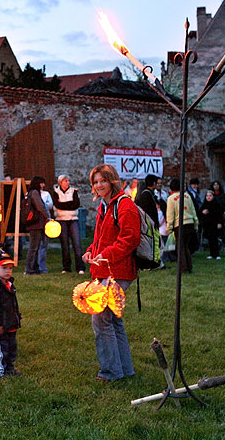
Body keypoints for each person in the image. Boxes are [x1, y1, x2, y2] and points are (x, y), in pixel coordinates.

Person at [82, 164, 140, 382]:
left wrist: (106, 254)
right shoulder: (104, 207)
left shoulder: (124, 205)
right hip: (103, 269)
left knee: (101, 319)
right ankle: (124, 369)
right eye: (95, 182)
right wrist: (90, 252)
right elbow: (99, 238)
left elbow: (130, 239)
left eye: (102, 181)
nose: (98, 185)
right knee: (113, 320)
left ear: (112, 181)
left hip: (118, 271)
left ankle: (110, 372)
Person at [52, 174, 86, 275]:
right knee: (65, 244)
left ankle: (80, 267)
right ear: (60, 182)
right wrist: (68, 205)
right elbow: (57, 205)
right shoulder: (56, 192)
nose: (67, 182)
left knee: (76, 243)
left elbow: (76, 204)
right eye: (65, 181)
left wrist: (64, 205)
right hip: (61, 219)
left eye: (68, 180)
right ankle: (66, 267)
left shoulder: (73, 191)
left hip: (73, 219)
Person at [165, 178, 199, 274]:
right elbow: (193, 211)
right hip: (190, 223)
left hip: (179, 225)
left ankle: (183, 268)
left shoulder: (171, 199)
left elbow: (170, 215)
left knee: (180, 248)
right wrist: (196, 224)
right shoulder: (187, 196)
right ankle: (189, 266)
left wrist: (169, 228)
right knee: (186, 246)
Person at [24, 176, 50, 275]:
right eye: (42, 183)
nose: (43, 185)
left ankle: (34, 268)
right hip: (36, 223)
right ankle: (29, 268)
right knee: (34, 247)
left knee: (36, 246)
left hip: (34, 224)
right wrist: (47, 217)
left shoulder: (30, 193)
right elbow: (40, 207)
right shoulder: (35, 193)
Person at [200, 190, 223, 259]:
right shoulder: (204, 204)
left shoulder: (216, 204)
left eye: (210, 196)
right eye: (207, 196)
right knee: (210, 240)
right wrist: (203, 212)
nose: (208, 197)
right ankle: (212, 254)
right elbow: (200, 213)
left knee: (215, 239)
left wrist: (219, 223)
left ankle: (217, 254)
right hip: (207, 224)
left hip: (215, 224)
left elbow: (219, 214)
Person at [37, 177, 54, 274]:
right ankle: (36, 265)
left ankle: (42, 266)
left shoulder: (46, 194)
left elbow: (50, 204)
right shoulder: (33, 194)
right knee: (36, 244)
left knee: (44, 244)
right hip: (37, 222)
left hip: (45, 220)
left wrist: (43, 205)